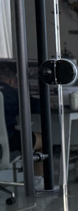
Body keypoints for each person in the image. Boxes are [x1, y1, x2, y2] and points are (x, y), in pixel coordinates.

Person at [0, 61, 43, 189]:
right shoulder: (12, 94)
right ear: (12, 80)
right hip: (6, 144)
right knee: (44, 140)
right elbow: (39, 106)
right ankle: (38, 181)